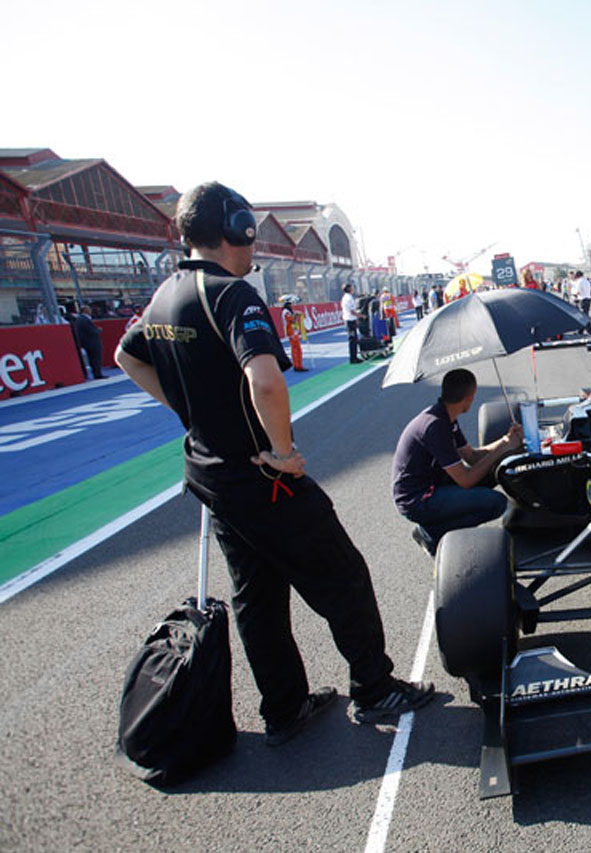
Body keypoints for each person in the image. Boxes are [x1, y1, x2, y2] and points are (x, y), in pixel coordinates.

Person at [115, 181, 433, 746]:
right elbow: (264, 379)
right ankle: (374, 686)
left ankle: (284, 709)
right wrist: (283, 453)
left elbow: (126, 356)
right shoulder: (230, 294)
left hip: (208, 474)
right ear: (234, 228)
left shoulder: (165, 294)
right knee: (344, 575)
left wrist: (187, 409)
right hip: (260, 474)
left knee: (256, 596)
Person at [392, 368, 522, 555]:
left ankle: (435, 527)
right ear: (470, 396)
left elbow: (472, 457)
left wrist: (505, 441)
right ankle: (430, 533)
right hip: (417, 500)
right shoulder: (435, 427)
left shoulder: (445, 417)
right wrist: (502, 449)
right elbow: (466, 480)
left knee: (495, 469)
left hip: (433, 484)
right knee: (496, 503)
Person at [66, 302, 104, 379]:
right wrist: (98, 330)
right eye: (88, 309)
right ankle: (97, 373)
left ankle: (96, 373)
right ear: (85, 311)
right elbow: (92, 330)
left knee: (93, 358)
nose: (90, 311)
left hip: (87, 342)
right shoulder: (84, 319)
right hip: (91, 342)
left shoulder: (80, 319)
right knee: (95, 358)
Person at [281, 297, 307, 372]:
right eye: (290, 304)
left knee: (296, 348)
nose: (291, 305)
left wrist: (297, 314)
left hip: (294, 331)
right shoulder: (286, 312)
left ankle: (298, 364)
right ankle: (297, 366)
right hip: (291, 332)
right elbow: (291, 320)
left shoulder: (289, 311)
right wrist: (296, 315)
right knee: (296, 349)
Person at [341, 283, 360, 364]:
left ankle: (354, 357)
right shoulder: (348, 298)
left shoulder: (347, 297)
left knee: (354, 339)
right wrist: (361, 316)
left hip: (350, 320)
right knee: (352, 339)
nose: (353, 289)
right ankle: (353, 358)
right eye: (352, 288)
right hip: (350, 321)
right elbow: (352, 311)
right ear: (349, 289)